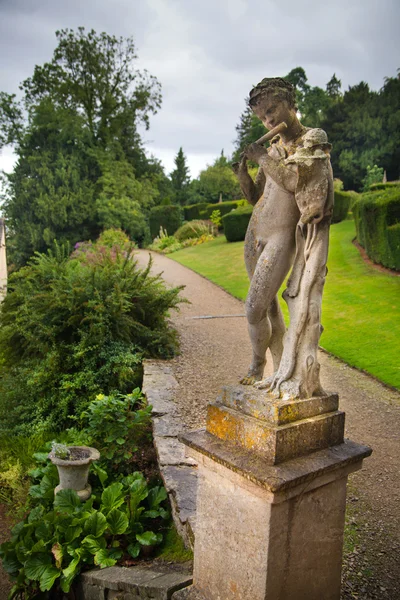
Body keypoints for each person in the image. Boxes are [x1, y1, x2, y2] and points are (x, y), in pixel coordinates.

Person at [234, 78, 333, 398]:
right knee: (264, 309)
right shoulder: (275, 147)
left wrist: (263, 157)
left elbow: (292, 181)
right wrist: (242, 173)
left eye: (272, 111)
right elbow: (256, 197)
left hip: (280, 238)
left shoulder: (311, 139)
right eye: (262, 117)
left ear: (291, 103)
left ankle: (255, 362)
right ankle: (272, 367)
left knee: (253, 308)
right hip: (255, 233)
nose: (268, 121)